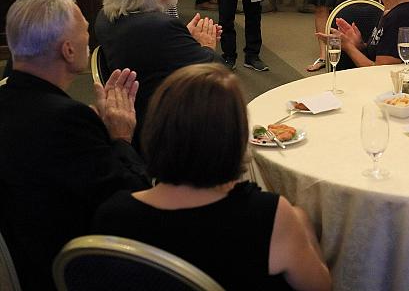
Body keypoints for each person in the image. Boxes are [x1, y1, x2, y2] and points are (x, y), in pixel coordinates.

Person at [92, 63, 332, 291]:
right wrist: (302, 225)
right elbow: (320, 286)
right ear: (236, 139)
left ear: (156, 129)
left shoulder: (113, 214)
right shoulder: (269, 216)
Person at [0, 0, 149, 290]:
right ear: (68, 50)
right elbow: (133, 206)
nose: (89, 38)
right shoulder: (67, 121)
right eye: (84, 30)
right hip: (65, 270)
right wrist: (120, 137)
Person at [95, 0, 221, 151]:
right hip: (163, 125)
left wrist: (183, 38)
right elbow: (212, 73)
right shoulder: (158, 26)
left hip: (133, 106)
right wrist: (206, 44)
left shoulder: (106, 17)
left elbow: (155, 52)